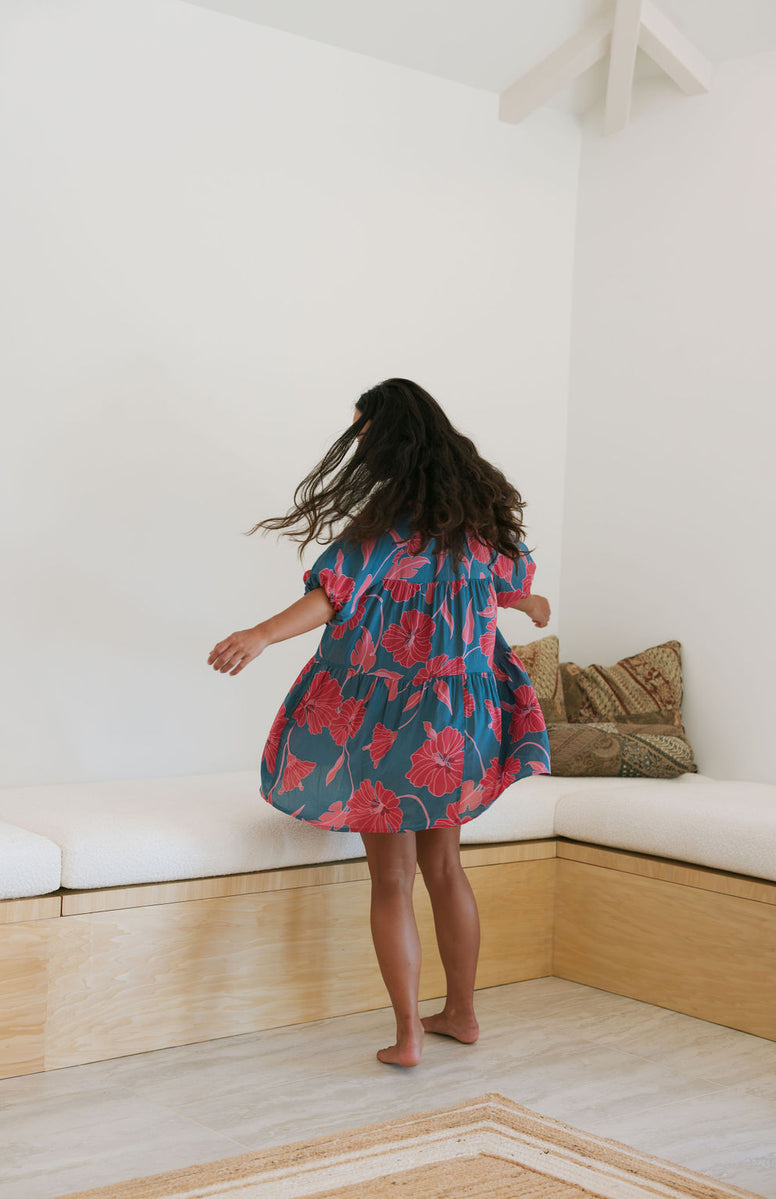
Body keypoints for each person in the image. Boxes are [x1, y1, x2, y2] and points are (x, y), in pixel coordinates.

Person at [207, 379, 551, 1067]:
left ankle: (408, 1035)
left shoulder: (381, 532)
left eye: (363, 428)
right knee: (447, 868)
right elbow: (520, 592)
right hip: (459, 725)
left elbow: (327, 598)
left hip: (389, 727)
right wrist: (533, 607)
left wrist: (261, 634)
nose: (358, 439)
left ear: (389, 438)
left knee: (392, 881)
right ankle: (463, 1012)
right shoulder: (477, 529)